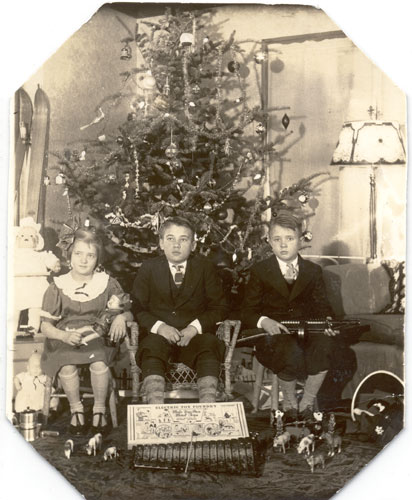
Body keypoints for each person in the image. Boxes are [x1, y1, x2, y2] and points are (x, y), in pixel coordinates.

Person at [241, 212, 337, 423]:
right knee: (288, 350)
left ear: (300, 241)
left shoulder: (313, 271)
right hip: (272, 336)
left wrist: (327, 322)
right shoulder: (260, 271)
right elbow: (247, 310)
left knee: (325, 346)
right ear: (269, 242)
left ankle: (307, 404)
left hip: (306, 332)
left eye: (289, 239)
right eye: (277, 239)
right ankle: (290, 404)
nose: (283, 245)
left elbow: (322, 306)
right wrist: (264, 321)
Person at [40, 228, 133, 435]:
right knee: (66, 361)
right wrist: (63, 335)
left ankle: (99, 410)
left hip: (97, 336)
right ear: (69, 257)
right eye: (78, 254)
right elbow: (45, 326)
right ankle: (77, 410)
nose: (83, 260)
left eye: (90, 255)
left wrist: (120, 317)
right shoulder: (58, 286)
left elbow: (128, 313)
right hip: (65, 337)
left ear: (97, 259)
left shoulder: (107, 283)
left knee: (99, 359)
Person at [132, 216, 228, 404]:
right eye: (170, 239)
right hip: (159, 338)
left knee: (209, 345)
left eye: (183, 239)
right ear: (161, 243)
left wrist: (194, 328)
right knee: (150, 347)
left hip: (194, 339)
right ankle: (154, 406)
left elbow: (220, 307)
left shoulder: (204, 268)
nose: (176, 245)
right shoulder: (149, 268)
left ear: (193, 245)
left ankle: (208, 405)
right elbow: (137, 307)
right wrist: (160, 327)